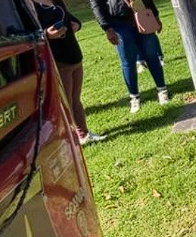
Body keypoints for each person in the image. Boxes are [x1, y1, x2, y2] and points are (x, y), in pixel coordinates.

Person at [32, 0, 106, 144]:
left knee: (75, 99)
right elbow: (30, 33)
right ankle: (69, 140)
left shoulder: (56, 1)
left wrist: (77, 24)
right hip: (59, 61)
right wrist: (47, 34)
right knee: (66, 103)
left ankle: (83, 133)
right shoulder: (30, 7)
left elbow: (71, 18)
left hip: (74, 56)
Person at [89, 0, 169, 113]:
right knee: (128, 62)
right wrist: (106, 27)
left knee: (151, 55)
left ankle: (162, 90)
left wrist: (155, 15)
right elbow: (96, 4)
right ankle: (134, 97)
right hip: (119, 23)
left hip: (142, 14)